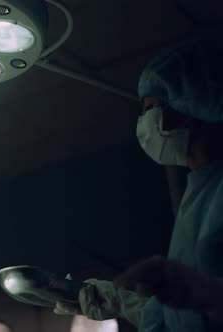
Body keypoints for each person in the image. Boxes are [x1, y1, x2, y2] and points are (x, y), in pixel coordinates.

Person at [54, 34, 223, 331]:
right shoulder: (199, 191)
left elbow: (203, 300)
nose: (144, 121)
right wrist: (121, 302)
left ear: (192, 104)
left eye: (150, 108)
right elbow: (179, 319)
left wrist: (208, 293)